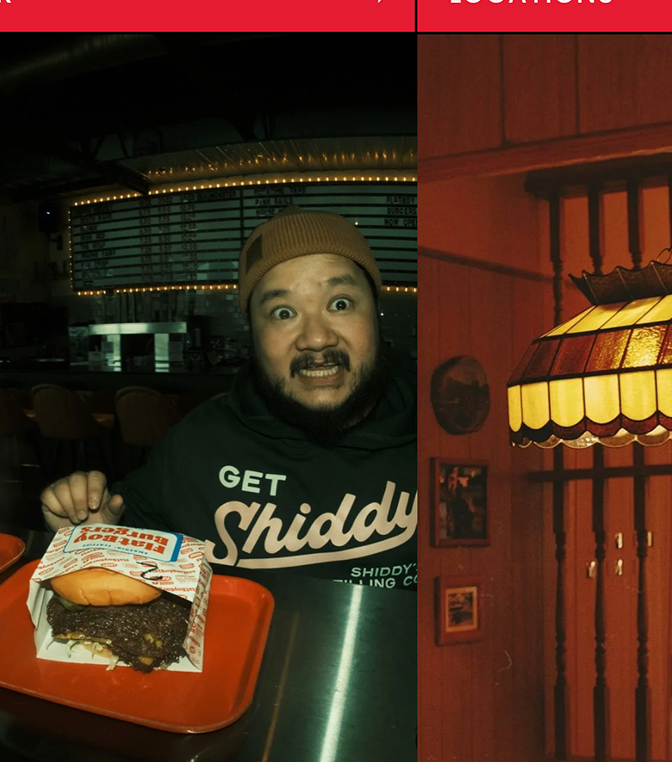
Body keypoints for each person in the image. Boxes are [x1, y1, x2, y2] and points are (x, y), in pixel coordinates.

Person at [41, 206, 418, 590]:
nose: (316, 338)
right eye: (283, 312)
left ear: (376, 312)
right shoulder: (195, 447)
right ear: (253, 335)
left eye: (340, 303)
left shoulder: (455, 444)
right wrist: (95, 540)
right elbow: (128, 552)